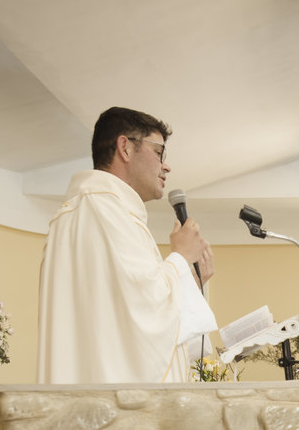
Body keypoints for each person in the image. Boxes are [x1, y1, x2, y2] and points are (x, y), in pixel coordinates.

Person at [37, 107, 218, 383]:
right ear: (125, 147)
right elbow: (145, 314)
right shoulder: (103, 210)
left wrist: (191, 279)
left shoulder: (97, 210)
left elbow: (120, 313)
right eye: (159, 153)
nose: (166, 166)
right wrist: (180, 258)